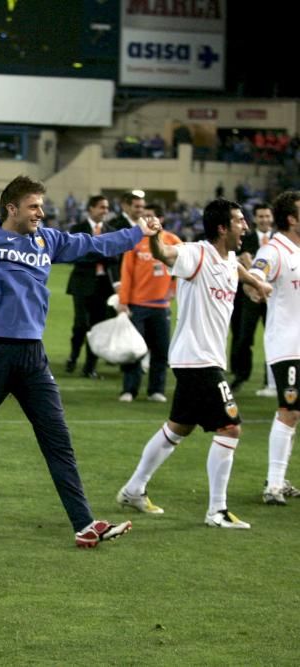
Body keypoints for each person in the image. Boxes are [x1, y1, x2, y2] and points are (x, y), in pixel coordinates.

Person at [0, 170, 155, 548]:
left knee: (57, 439)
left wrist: (137, 232)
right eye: (33, 206)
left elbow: (97, 245)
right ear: (12, 208)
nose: (40, 212)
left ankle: (84, 523)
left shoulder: (48, 241)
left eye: (42, 206)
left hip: (33, 357)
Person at [116, 199, 272, 528]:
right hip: (197, 359)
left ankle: (133, 489)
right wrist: (156, 236)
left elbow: (234, 268)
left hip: (199, 358)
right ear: (221, 227)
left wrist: (254, 282)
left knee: (178, 428)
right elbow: (165, 255)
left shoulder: (228, 257)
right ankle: (217, 510)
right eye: (239, 221)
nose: (244, 226)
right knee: (230, 427)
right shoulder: (195, 253)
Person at [250, 191, 300, 505]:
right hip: (287, 345)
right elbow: (257, 273)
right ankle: (274, 484)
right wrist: (256, 285)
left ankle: (278, 478)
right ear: (292, 218)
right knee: (290, 410)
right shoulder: (274, 250)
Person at [117, 202, 181, 402]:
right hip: (137, 304)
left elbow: (184, 268)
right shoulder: (136, 240)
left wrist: (173, 289)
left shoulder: (172, 241)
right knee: (134, 350)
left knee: (161, 351)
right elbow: (126, 273)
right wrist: (123, 301)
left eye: (150, 216)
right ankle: (129, 389)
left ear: (160, 219)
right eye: (144, 216)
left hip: (161, 306)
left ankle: (156, 390)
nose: (145, 219)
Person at [64, 195, 113, 377]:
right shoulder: (78, 229)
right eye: (102, 207)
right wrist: (101, 253)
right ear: (91, 209)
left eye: (107, 207)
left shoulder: (110, 230)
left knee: (97, 327)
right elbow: (75, 255)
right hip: (82, 284)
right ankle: (73, 357)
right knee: (80, 325)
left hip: (103, 286)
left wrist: (93, 252)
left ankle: (90, 367)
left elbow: (115, 257)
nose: (105, 211)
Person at [229, 202, 274, 392]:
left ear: (272, 218)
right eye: (260, 216)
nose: (264, 219)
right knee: (244, 337)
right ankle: (241, 375)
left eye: (267, 216)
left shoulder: (279, 241)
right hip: (249, 297)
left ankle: (270, 380)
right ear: (255, 219)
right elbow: (233, 262)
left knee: (273, 337)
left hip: (273, 297)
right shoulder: (244, 238)